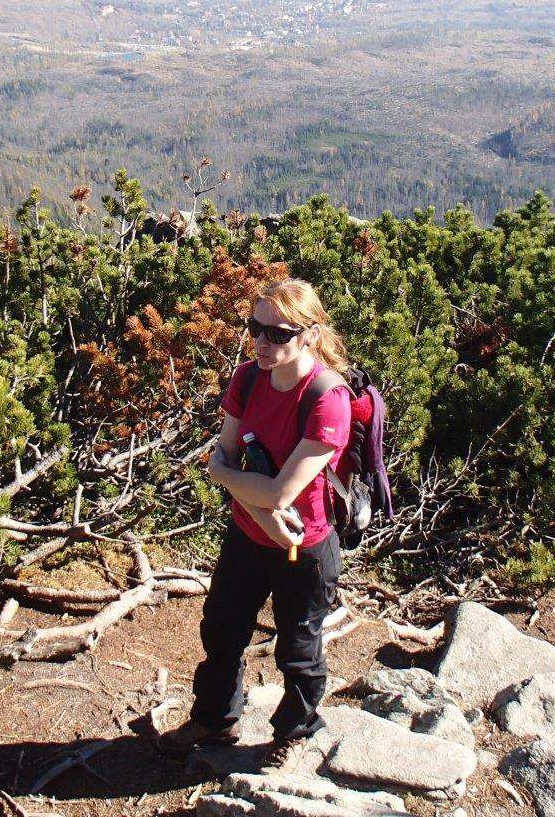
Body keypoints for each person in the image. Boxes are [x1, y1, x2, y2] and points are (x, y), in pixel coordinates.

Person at [158, 279, 352, 769]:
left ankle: (296, 730)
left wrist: (224, 477)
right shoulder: (246, 378)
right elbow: (226, 455)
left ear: (309, 335)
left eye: (278, 333)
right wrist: (252, 504)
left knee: (299, 648)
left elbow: (279, 490)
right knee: (222, 630)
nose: (263, 343)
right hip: (249, 534)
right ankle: (215, 720)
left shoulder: (328, 400)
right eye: (255, 328)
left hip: (302, 547)